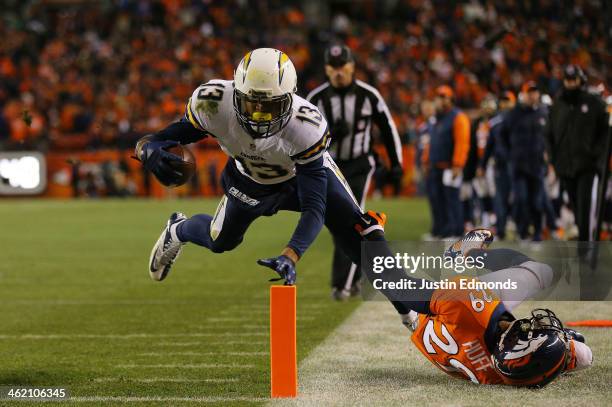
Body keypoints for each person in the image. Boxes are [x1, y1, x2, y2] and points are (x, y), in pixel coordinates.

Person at [135, 48, 389, 287]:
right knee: (220, 241)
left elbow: (314, 209)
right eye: (251, 103)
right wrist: (148, 149)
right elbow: (161, 138)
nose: (258, 115)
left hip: (298, 176)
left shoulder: (305, 126)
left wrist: (291, 254)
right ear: (236, 93)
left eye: (269, 105)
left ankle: (410, 312)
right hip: (249, 180)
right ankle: (178, 230)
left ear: (289, 98)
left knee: (358, 233)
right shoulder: (213, 103)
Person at [361, 229, 593, 386]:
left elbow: (396, 284)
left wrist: (374, 235)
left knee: (541, 271)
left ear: (514, 342)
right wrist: (562, 352)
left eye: (529, 332)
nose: (532, 326)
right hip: (420, 325)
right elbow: (539, 366)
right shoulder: (502, 375)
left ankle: (468, 253)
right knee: (582, 355)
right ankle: (407, 313)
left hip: (458, 309)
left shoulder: (472, 308)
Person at [306, 44, 403, 300]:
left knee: (350, 220)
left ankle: (343, 284)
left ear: (352, 67)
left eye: (343, 67)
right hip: (329, 167)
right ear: (327, 69)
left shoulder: (369, 96)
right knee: (340, 222)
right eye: (333, 68)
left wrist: (397, 163)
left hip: (360, 165)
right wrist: (330, 136)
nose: (339, 72)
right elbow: (301, 134)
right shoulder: (316, 98)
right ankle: (358, 273)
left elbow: (388, 128)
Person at [546, 65, 610, 247]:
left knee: (585, 207)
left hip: (587, 165)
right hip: (565, 166)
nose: (571, 83)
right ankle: (583, 240)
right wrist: (553, 159)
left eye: (574, 80)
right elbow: (548, 134)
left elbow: (605, 131)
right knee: (575, 205)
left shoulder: (593, 102)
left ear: (580, 80)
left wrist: (597, 155)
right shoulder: (558, 104)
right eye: (568, 80)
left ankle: (585, 244)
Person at [500, 82, 548, 241]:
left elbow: (550, 137)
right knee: (521, 199)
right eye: (529, 92)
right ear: (523, 94)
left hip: (537, 165)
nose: (532, 95)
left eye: (535, 92)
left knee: (537, 202)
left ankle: (537, 234)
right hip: (518, 165)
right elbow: (502, 136)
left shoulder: (544, 112)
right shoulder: (513, 113)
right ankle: (522, 232)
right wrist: (510, 155)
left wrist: (547, 154)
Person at [425, 85, 471, 238]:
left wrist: (458, 164)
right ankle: (439, 231)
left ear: (450, 99)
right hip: (435, 167)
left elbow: (462, 143)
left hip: (450, 167)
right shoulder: (436, 119)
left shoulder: (458, 117)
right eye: (439, 97)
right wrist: (426, 161)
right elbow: (430, 143)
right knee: (436, 201)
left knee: (451, 200)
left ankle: (455, 231)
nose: (440, 100)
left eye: (444, 97)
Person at [479, 91, 516, 239]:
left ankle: (521, 228)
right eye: (503, 101)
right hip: (500, 164)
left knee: (519, 198)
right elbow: (489, 146)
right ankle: (501, 229)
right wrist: (482, 165)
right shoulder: (494, 122)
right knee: (500, 198)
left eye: (508, 101)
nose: (505, 104)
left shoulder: (520, 119)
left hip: (517, 165)